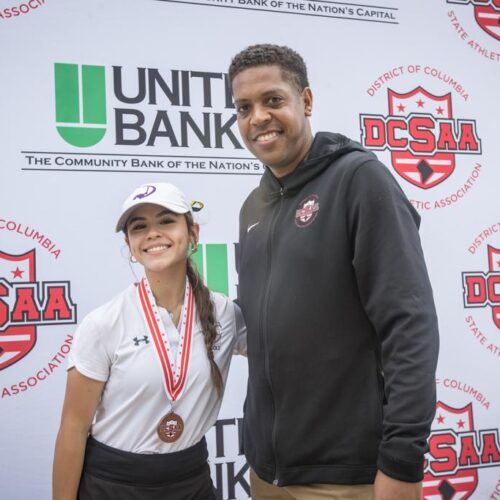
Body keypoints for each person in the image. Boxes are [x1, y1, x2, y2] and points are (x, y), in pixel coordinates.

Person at [229, 44, 439, 500]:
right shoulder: (252, 208)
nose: (258, 117)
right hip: (267, 472)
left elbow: (409, 323)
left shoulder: (359, 179)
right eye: (244, 108)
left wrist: (403, 461)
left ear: (305, 101)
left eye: (273, 100)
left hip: (347, 477)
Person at [52, 182, 246, 500]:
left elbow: (282, 348)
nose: (153, 233)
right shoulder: (104, 322)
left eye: (166, 220)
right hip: (113, 485)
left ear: (193, 233)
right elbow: (73, 429)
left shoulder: (223, 311)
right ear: (130, 245)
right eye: (139, 227)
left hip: (191, 480)